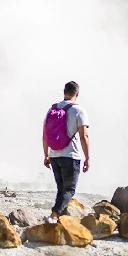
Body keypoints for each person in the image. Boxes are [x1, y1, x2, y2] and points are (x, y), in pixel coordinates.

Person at [42, 80, 89, 222]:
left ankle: (58, 221)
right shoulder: (79, 111)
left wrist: (46, 155)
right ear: (77, 94)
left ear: (64, 92)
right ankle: (53, 215)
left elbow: (44, 135)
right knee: (69, 190)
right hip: (70, 155)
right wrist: (88, 158)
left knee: (61, 189)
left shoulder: (52, 109)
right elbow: (84, 136)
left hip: (54, 155)